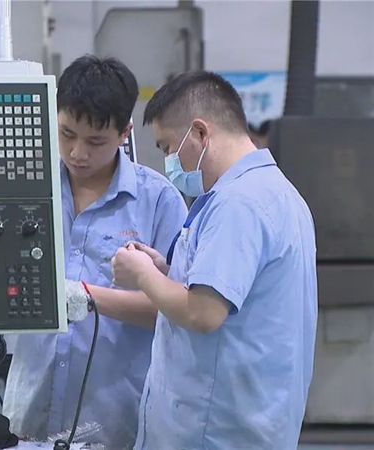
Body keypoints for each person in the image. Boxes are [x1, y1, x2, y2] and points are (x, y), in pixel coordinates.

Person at [111, 71, 317, 449]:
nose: (169, 161)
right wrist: (167, 272)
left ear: (200, 133)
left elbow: (203, 313)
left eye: (168, 147)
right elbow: (232, 292)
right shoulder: (276, 193)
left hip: (215, 431)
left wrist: (142, 276)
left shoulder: (238, 203)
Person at [2, 55, 187, 448]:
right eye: (67, 134)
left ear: (124, 133)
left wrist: (87, 298)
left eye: (95, 141)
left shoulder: (158, 202)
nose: (77, 153)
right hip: (29, 413)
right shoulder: (27, 191)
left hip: (115, 421)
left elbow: (176, 310)